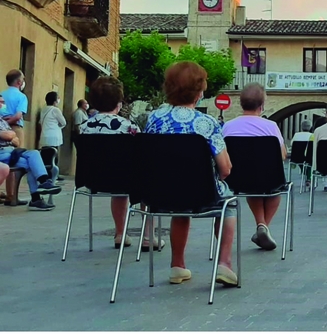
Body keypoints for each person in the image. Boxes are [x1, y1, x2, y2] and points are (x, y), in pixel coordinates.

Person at [144, 62, 238, 286]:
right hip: (200, 193)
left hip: (158, 194)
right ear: (200, 91)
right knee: (229, 204)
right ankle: (224, 264)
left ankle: (177, 265)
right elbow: (225, 170)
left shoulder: (153, 119)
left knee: (180, 206)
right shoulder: (206, 123)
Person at [78, 76, 159, 250]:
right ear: (119, 101)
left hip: (93, 180)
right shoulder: (128, 127)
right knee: (146, 179)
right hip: (125, 179)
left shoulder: (84, 127)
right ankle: (147, 237)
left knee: (119, 187)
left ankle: (120, 233)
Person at [221, 83, 285, 251]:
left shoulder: (228, 127)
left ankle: (261, 226)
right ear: (262, 105)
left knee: (251, 185)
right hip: (268, 179)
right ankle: (263, 226)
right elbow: (282, 155)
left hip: (237, 180)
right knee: (274, 191)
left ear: (241, 104)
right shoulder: (271, 127)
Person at [0, 95, 61, 210]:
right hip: (2, 153)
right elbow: (9, 135)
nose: (2, 105)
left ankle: (40, 190)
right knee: (32, 159)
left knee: (32, 157)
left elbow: (16, 140)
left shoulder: (2, 121)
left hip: (12, 152)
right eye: (0, 102)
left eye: (3, 102)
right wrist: (10, 135)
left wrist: (10, 136)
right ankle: (38, 193)